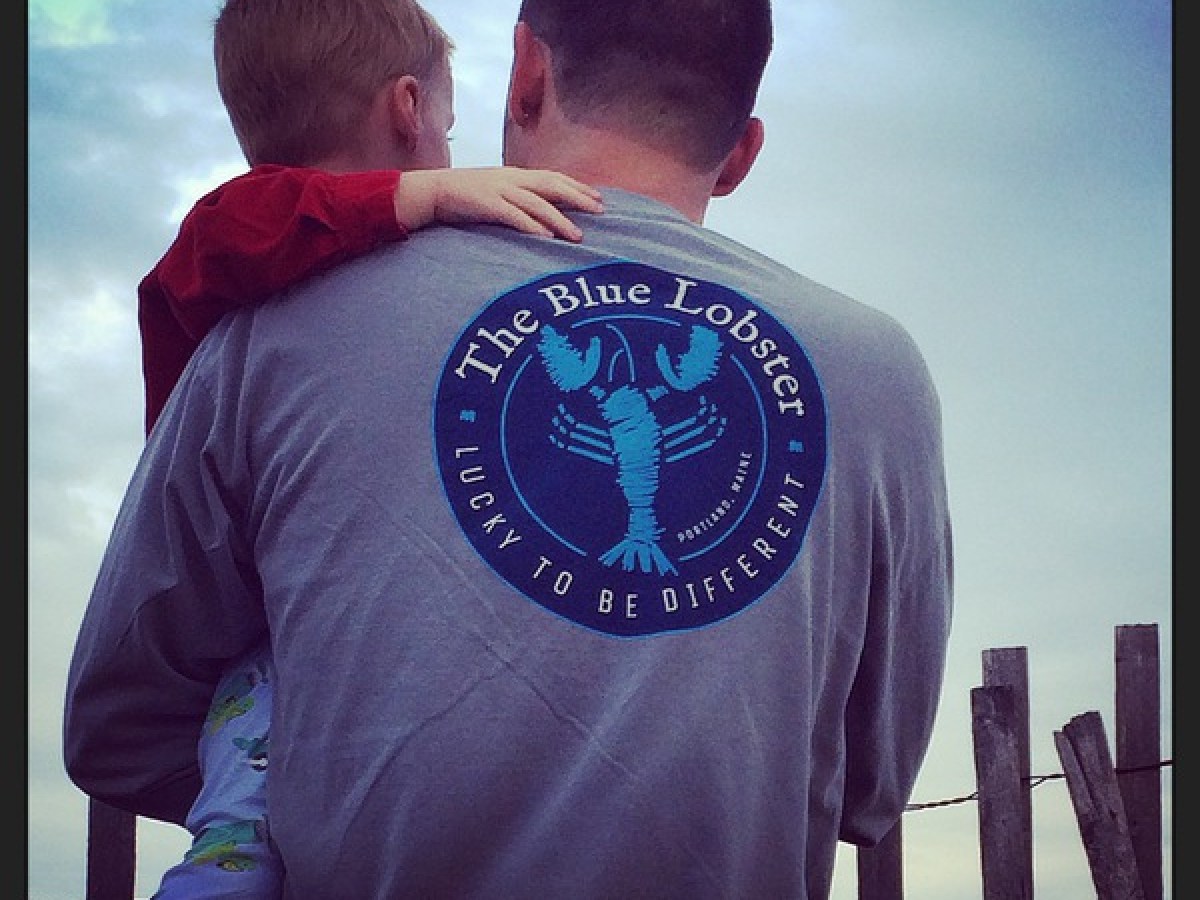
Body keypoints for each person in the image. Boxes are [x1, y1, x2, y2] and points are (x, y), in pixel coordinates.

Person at [65, 1, 955, 897]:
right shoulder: (879, 371)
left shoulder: (276, 322)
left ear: (525, 72)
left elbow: (119, 723)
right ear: (743, 153)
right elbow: (869, 790)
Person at [129, 1, 601, 896]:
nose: (455, 164)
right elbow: (243, 223)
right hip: (257, 617)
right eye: (450, 134)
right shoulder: (238, 228)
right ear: (407, 107)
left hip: (293, 594)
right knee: (244, 826)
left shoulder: (304, 257)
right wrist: (417, 198)